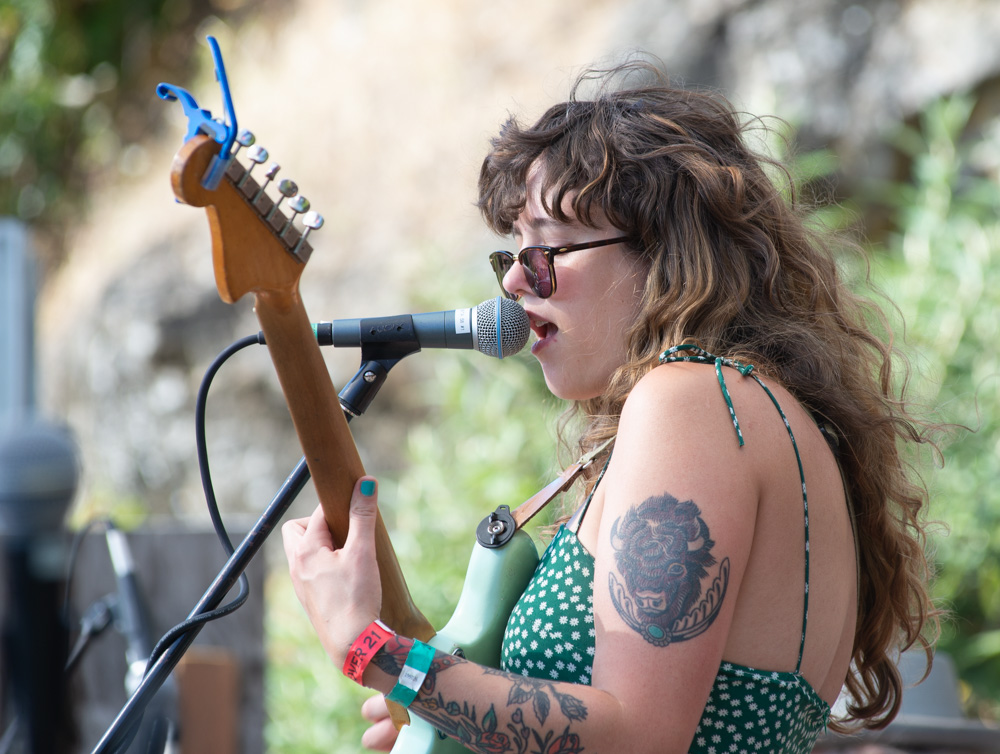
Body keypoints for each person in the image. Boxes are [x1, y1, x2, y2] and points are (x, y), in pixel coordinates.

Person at [281, 59, 939, 754]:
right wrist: (446, 710)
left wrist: (371, 651)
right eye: (512, 254)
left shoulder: (691, 400)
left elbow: (641, 735)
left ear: (660, 253)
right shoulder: (742, 410)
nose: (513, 281)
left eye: (546, 253)